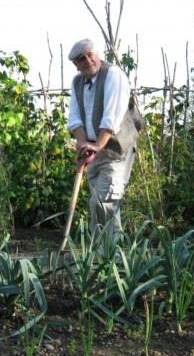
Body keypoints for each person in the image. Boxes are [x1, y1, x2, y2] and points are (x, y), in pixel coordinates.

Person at [67, 38, 139, 243]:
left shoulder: (113, 75)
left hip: (116, 149)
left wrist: (98, 145)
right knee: (95, 203)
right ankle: (98, 255)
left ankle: (112, 257)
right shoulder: (77, 82)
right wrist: (83, 145)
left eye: (91, 55)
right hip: (93, 150)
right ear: (76, 65)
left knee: (105, 201)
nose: (88, 60)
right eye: (82, 58)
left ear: (97, 54)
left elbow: (111, 117)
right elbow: (75, 119)